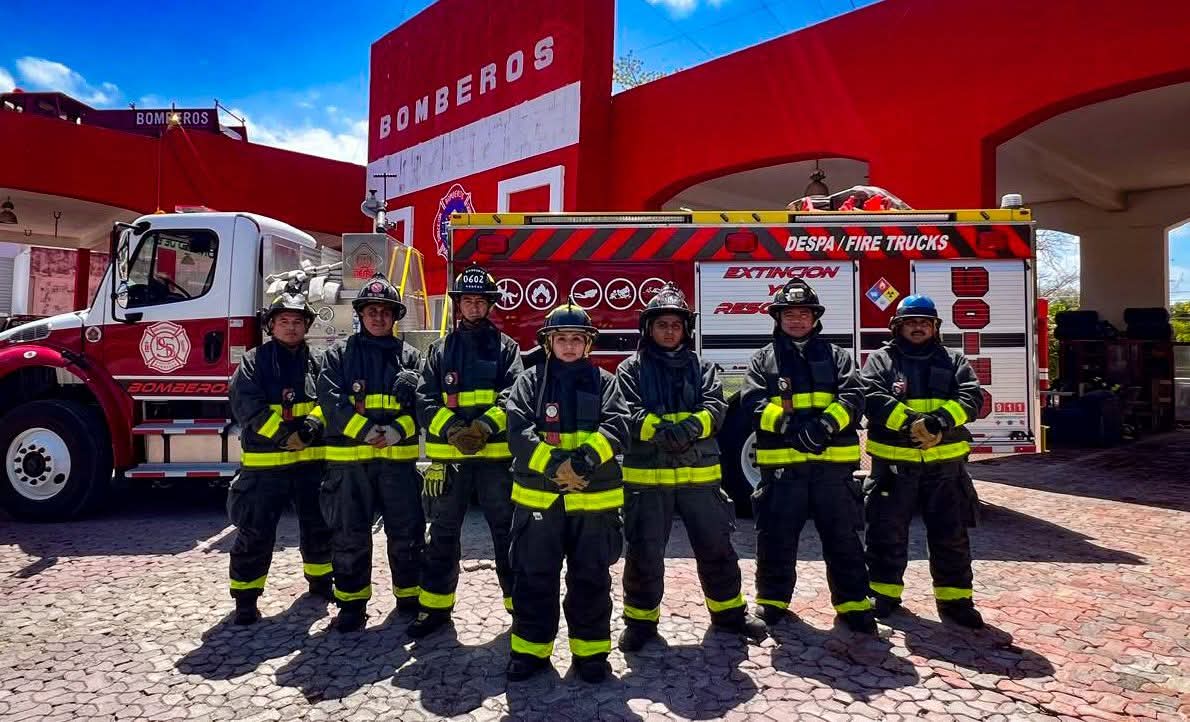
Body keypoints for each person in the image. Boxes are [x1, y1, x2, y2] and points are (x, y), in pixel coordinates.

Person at [615, 283, 767, 651]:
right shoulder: (630, 369)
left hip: (700, 480)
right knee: (644, 553)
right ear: (648, 328)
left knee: (717, 548)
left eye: (676, 325)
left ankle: (729, 613)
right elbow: (626, 412)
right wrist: (663, 433)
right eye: (662, 324)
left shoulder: (704, 367)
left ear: (686, 330)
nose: (669, 331)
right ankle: (640, 622)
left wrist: (687, 429)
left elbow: (716, 407)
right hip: (647, 482)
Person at [740, 278, 877, 634]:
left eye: (804, 313)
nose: (797, 320)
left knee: (843, 538)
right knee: (775, 538)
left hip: (832, 470)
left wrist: (824, 427)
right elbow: (751, 403)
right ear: (778, 317)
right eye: (790, 313)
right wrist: (788, 427)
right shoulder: (763, 359)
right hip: (783, 470)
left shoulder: (837, 357)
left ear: (815, 318)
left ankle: (853, 606)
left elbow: (854, 396)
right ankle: (772, 603)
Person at [504, 300, 630, 683]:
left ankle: (590, 655)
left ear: (588, 344)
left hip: (593, 504)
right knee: (533, 577)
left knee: (590, 579)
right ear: (548, 343)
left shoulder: (605, 383)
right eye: (563, 339)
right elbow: (517, 430)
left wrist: (582, 463)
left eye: (578, 339)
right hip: (540, 501)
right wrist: (554, 464)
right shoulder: (529, 382)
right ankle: (530, 653)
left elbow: (619, 427)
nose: (571, 346)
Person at [408, 265, 523, 638]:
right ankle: (435, 609)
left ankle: (519, 609)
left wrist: (483, 427)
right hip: (449, 464)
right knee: (441, 536)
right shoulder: (440, 350)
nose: (473, 307)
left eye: (480, 301)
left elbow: (514, 396)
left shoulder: (507, 349)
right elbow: (424, 398)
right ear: (458, 305)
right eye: (467, 301)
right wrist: (453, 429)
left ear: (490, 305)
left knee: (507, 536)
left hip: (496, 465)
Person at [860, 294, 985, 628]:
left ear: (934, 327)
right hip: (893, 468)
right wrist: (911, 422)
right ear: (897, 326)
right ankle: (883, 594)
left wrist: (937, 422)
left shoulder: (953, 361)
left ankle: (956, 600)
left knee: (951, 535)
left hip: (946, 470)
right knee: (886, 533)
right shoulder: (882, 361)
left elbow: (973, 397)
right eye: (911, 322)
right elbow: (870, 396)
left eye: (924, 322)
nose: (917, 327)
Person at [317, 273, 424, 632]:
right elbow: (331, 403)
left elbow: (425, 405)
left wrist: (398, 430)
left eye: (385, 312)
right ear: (360, 314)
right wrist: (366, 431)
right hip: (350, 467)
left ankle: (409, 598)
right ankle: (351, 604)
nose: (378, 317)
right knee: (349, 535)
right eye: (371, 310)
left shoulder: (411, 358)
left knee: (407, 533)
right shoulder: (336, 356)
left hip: (398, 466)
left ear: (395, 317)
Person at [226, 286, 332, 624]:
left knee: (318, 526)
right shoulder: (253, 362)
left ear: (307, 326)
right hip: (266, 467)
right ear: (271, 325)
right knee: (255, 531)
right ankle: (246, 598)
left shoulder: (318, 362)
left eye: (298, 321)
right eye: (284, 320)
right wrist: (286, 436)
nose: (291, 327)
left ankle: (320, 582)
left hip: (311, 463)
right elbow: (248, 408)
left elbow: (329, 401)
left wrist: (310, 429)